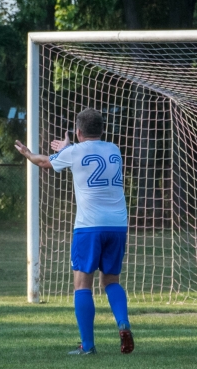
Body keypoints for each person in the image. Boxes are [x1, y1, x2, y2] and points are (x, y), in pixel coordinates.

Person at [14, 108, 134, 355]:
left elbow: (45, 162)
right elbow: (79, 154)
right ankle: (123, 322)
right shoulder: (114, 150)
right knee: (111, 281)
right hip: (118, 225)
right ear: (102, 129)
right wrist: (68, 148)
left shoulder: (75, 151)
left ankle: (88, 346)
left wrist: (27, 153)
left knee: (82, 284)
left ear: (78, 132)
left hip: (89, 226)